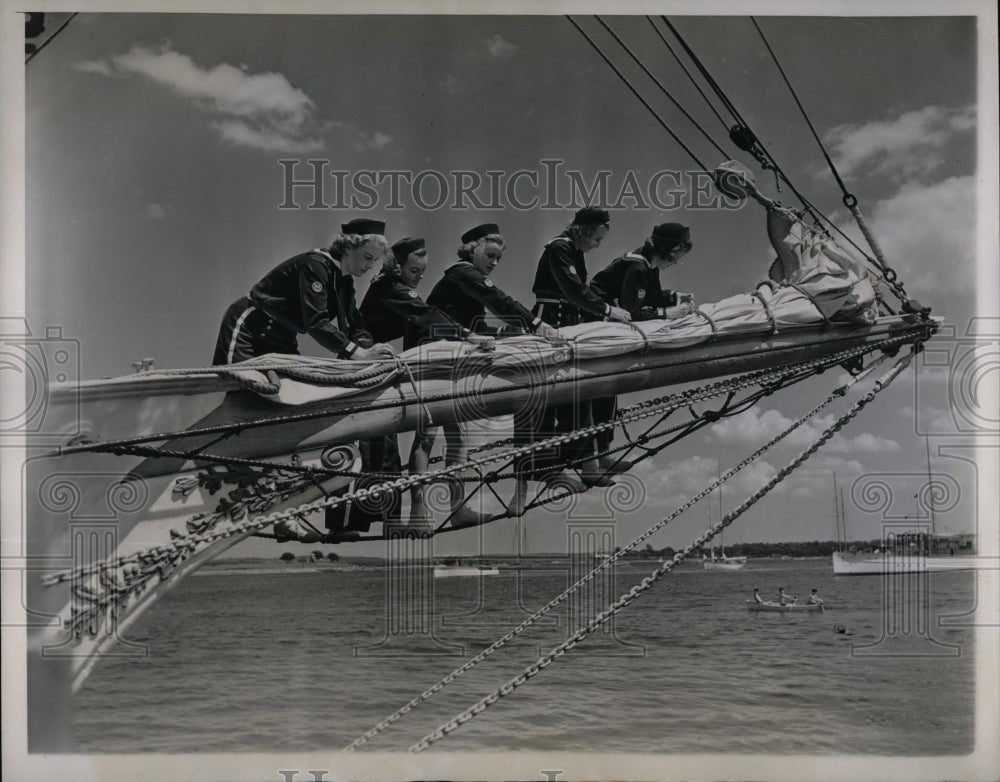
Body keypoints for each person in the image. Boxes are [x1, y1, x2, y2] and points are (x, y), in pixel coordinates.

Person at [212, 219, 397, 543]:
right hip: (251, 328)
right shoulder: (317, 265)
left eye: (375, 262)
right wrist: (358, 355)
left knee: (291, 418)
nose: (369, 267)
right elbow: (316, 323)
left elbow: (353, 323)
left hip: (281, 338)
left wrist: (371, 350)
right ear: (350, 247)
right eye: (367, 258)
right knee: (237, 406)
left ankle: (284, 512)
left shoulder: (343, 282)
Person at [426, 224, 562, 527]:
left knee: (455, 439)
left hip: (444, 360)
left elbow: (472, 325)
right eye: (490, 255)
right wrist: (536, 324)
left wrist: (504, 331)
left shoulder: (461, 278)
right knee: (428, 439)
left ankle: (456, 510)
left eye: (498, 259)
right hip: (431, 365)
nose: (494, 263)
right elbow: (499, 300)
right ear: (472, 249)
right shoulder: (463, 273)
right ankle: (421, 514)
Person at [360, 236, 494, 532]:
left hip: (406, 363)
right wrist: (469, 336)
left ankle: (453, 509)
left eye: (422, 272)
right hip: (374, 371)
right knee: (407, 443)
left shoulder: (398, 288)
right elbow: (426, 315)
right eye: (414, 271)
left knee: (455, 436)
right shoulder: (389, 287)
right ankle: (412, 516)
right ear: (398, 267)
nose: (419, 278)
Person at [508, 208, 630, 516]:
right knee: (541, 405)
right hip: (551, 326)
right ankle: (523, 489)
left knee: (579, 397)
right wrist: (607, 312)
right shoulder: (559, 248)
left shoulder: (573, 251)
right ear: (582, 230)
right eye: (597, 239)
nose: (598, 246)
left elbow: (580, 291)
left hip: (570, 328)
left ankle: (583, 463)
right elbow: (574, 290)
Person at [590, 222, 697, 472]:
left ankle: (602, 455)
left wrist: (674, 297)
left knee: (608, 394)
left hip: (613, 321)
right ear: (667, 249)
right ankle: (596, 457)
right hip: (598, 322)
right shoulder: (637, 266)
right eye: (677, 255)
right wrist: (669, 314)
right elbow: (633, 312)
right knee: (602, 392)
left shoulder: (648, 265)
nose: (677, 262)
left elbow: (650, 296)